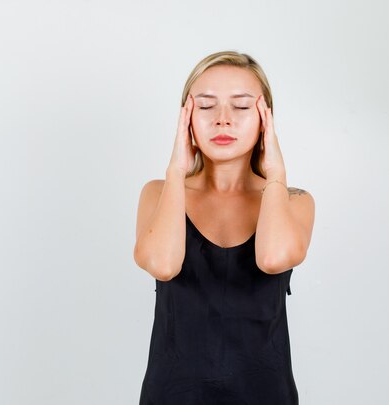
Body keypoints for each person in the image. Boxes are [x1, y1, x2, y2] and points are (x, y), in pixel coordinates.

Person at [133, 50, 315, 404]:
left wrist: (276, 173)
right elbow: (163, 264)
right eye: (205, 106)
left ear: (266, 119)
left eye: (242, 106)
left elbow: (273, 258)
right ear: (185, 117)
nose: (223, 120)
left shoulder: (294, 200)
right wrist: (176, 171)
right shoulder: (159, 193)